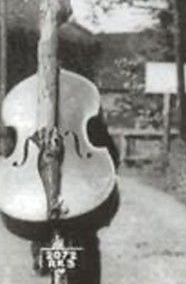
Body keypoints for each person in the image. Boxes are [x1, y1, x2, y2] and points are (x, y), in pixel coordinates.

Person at [29, 109, 120, 283]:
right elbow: (110, 157)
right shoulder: (82, 104)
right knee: (85, 239)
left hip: (50, 185)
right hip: (79, 190)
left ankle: (42, 250)